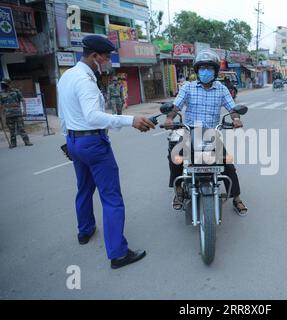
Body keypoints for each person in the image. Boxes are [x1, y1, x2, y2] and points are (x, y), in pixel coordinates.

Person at [57, 35, 155, 269]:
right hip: (92, 143)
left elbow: (64, 113)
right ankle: (118, 254)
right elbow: (92, 116)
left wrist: (67, 140)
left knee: (84, 188)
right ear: (94, 56)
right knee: (111, 198)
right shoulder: (85, 81)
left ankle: (85, 231)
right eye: (107, 56)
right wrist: (130, 120)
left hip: (74, 141)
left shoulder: (67, 76)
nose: (109, 60)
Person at [163, 49, 248, 215]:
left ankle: (236, 197)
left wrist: (236, 119)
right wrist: (169, 118)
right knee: (175, 157)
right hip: (189, 132)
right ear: (197, 70)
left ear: (215, 71)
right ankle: (178, 190)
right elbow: (176, 106)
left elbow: (232, 108)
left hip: (211, 133)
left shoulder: (222, 89)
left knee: (228, 164)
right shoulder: (188, 88)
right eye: (202, 68)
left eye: (209, 68)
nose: (206, 71)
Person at [0, 79, 32, 148]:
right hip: (8, 115)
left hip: (17, 113)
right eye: (3, 84)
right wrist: (1, 115)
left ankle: (27, 141)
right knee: (12, 130)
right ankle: (13, 144)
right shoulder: (1, 93)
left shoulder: (16, 91)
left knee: (21, 128)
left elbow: (23, 100)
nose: (3, 85)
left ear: (9, 84)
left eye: (5, 84)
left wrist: (25, 111)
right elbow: (1, 105)